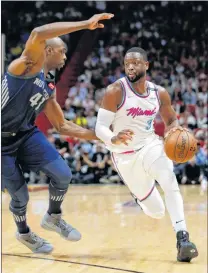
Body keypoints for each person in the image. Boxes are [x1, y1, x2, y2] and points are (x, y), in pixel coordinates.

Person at [1, 13, 115, 254]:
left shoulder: (48, 82)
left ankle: (53, 217)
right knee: (20, 196)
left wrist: (103, 136)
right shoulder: (24, 66)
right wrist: (86, 25)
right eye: (62, 51)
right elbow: (38, 33)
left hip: (25, 135)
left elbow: (62, 126)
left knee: (63, 174)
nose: (65, 57)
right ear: (49, 51)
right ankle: (24, 233)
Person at [95, 47, 198, 262]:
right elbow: (100, 127)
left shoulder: (159, 93)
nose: (130, 66)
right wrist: (112, 138)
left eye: (135, 62)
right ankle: (141, 197)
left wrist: (172, 131)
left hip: (151, 145)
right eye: (126, 64)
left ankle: (183, 238)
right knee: (156, 211)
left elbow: (171, 120)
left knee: (170, 182)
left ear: (146, 65)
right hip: (124, 155)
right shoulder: (115, 91)